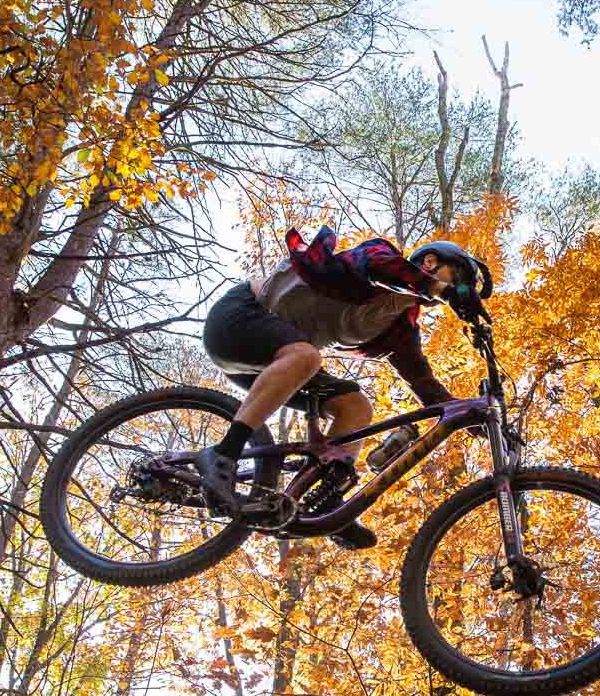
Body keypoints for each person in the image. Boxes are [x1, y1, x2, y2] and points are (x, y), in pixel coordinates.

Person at [199, 226, 492, 550]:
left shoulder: (399, 327)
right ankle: (223, 455)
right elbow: (378, 267)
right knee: (306, 356)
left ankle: (325, 500)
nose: (457, 289)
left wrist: (478, 421)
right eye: (459, 278)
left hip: (273, 364)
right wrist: (439, 288)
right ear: (431, 262)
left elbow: (426, 387)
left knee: (356, 407)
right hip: (239, 319)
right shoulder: (382, 257)